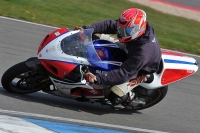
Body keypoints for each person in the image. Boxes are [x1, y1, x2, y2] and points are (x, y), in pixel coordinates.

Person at [75, 8, 161, 107]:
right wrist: (85, 30)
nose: (120, 32)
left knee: (114, 94)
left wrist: (98, 78)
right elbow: (108, 24)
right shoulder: (130, 27)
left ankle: (130, 97)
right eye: (120, 27)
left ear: (138, 29)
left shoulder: (144, 51)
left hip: (140, 69)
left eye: (126, 30)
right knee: (95, 36)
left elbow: (123, 73)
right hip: (128, 47)